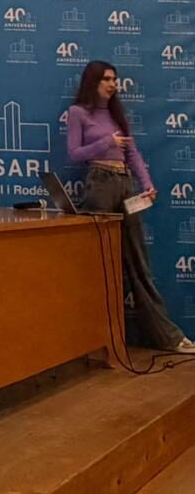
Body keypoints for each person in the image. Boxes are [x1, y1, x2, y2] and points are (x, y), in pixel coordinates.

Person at [67, 60, 195, 354]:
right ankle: (91, 341)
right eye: (107, 79)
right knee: (98, 263)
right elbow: (74, 153)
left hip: (126, 186)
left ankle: (168, 337)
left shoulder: (116, 115)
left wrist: (147, 184)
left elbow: (133, 154)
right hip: (100, 183)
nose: (113, 84)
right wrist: (106, 142)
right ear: (93, 82)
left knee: (139, 262)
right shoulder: (78, 112)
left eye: (115, 79)